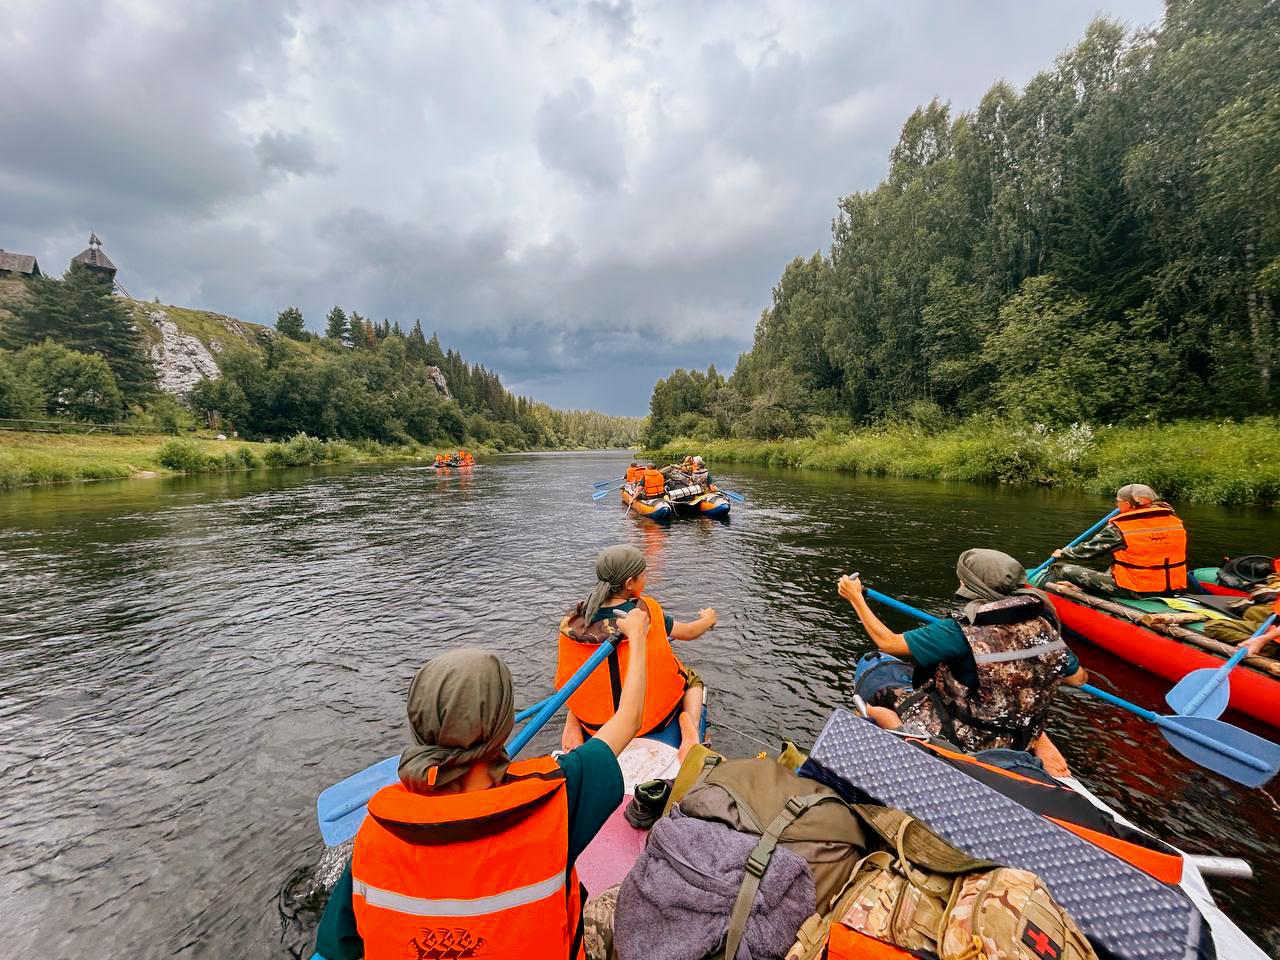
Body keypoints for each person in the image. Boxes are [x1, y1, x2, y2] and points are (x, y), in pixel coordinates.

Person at [312, 605, 652, 960]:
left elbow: (337, 951)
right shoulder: (560, 797)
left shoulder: (374, 835)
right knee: (627, 899)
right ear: (503, 728)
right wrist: (638, 637)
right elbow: (628, 720)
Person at [837, 549, 1087, 776]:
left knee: (878, 706)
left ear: (970, 585)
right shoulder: (1044, 626)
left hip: (968, 738)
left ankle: (886, 748)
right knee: (1016, 689)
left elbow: (888, 643)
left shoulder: (959, 632)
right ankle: (1039, 742)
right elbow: (1078, 679)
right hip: (1021, 734)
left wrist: (855, 598)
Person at [558, 545, 714, 760]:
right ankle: (690, 727)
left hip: (594, 724)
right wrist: (708, 619)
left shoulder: (572, 623)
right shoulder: (647, 611)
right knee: (692, 680)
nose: (646, 579)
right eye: (644, 575)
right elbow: (689, 632)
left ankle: (573, 719)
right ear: (630, 583)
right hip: (653, 719)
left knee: (585, 678)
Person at [1048, 484, 1188, 598]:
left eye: (1118, 501)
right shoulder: (1176, 522)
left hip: (1136, 589)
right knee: (1117, 564)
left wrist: (1064, 553)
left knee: (1061, 568)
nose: (1117, 505)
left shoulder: (1121, 527)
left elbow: (1088, 551)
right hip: (1171, 588)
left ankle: (1058, 593)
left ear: (1127, 504)